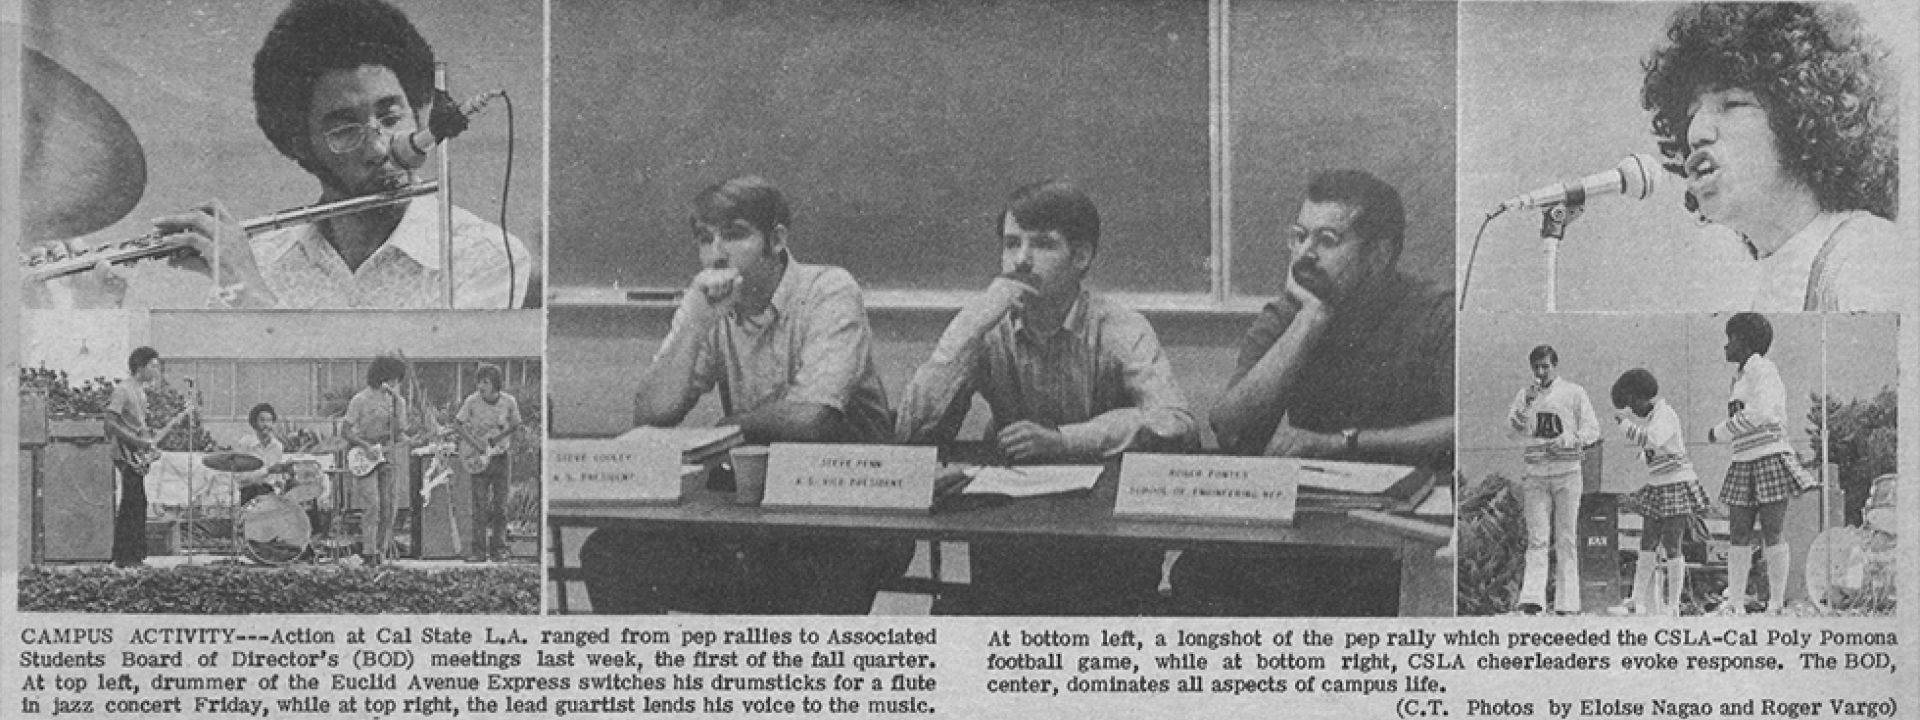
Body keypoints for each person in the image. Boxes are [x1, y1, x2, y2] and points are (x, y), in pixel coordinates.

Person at [40, 0, 530, 309]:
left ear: (420, 110)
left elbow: (405, 389)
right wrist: (89, 310)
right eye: (344, 130)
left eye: (390, 114)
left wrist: (249, 293)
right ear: (300, 145)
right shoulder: (260, 261)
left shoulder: (485, 257)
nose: (380, 147)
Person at [578, 176, 908, 614]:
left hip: (851, 507)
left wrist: (736, 425)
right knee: (610, 554)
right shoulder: (709, 302)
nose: (716, 255)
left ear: (776, 239)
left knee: (810, 580)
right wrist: (695, 324)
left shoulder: (829, 289)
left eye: (734, 235)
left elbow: (814, 419)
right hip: (761, 510)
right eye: (704, 239)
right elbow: (652, 413)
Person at [896, 180, 1199, 615]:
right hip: (1014, 527)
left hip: (1108, 535)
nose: (1020, 260)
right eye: (1011, 244)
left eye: (1041, 245)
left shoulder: (1119, 326)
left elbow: (1175, 422)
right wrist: (964, 330)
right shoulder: (986, 326)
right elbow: (912, 433)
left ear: (1081, 256)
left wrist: (1065, 441)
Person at [1178, 169, 1454, 616]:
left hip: (1404, 524)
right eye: (1298, 236)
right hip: (1318, 516)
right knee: (1201, 573)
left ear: (1379, 255)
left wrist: (1345, 442)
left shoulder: (1436, 312)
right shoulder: (1293, 311)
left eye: (1327, 240)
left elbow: (1465, 426)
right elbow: (1229, 427)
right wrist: (1311, 321)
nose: (1304, 254)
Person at [1642, 2, 1903, 311]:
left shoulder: (1864, 254)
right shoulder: (1756, 279)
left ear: (1803, 120)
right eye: (1691, 113)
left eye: (1733, 104)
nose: (1696, 132)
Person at [1709, 312, 1817, 614]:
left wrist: (1719, 431)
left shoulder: (1764, 369)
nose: (1725, 346)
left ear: (1744, 341)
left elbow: (1761, 413)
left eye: (1730, 339)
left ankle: (1775, 604)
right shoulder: (1740, 377)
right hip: (1743, 460)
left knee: (1772, 533)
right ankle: (1735, 604)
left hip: (1769, 456)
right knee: (1738, 534)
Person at [1505, 345, 1600, 616]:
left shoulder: (1573, 392)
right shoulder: (1525, 395)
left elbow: (1592, 430)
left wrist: (1569, 441)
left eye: (1545, 366)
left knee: (1566, 538)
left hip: (1567, 473)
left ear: (1554, 366)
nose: (1540, 372)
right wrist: (1525, 406)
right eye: (1536, 367)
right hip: (1535, 474)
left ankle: (1567, 603)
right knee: (1537, 538)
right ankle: (1533, 599)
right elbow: (1512, 433)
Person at [1608, 369, 1711, 617]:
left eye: (1632, 403)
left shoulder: (1665, 414)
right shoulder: (1654, 418)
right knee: (1647, 541)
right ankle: (1636, 600)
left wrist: (1626, 427)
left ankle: (1673, 605)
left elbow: (1653, 441)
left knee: (1672, 543)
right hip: (1658, 485)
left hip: (1676, 484)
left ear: (1641, 396)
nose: (1632, 411)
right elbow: (1652, 449)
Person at [341, 355, 413, 566]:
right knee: (372, 504)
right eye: (391, 378)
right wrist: (365, 446)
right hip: (365, 453)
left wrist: (398, 404)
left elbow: (400, 431)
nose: (394, 383)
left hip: (387, 454)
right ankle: (369, 550)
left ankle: (381, 550)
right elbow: (346, 430)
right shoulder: (360, 400)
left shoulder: (397, 401)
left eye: (397, 380)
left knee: (389, 505)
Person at [101, 348, 164, 569]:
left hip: (136, 453)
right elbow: (110, 423)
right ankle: (125, 557)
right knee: (132, 502)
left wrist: (149, 447)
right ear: (141, 366)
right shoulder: (123, 390)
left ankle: (133, 555)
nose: (156, 370)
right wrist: (137, 444)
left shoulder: (141, 392)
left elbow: (138, 427)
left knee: (137, 501)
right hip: (125, 453)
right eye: (153, 366)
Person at [455, 364, 523, 562]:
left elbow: (517, 424)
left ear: (495, 384)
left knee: (501, 506)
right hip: (478, 457)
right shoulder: (472, 401)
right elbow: (457, 424)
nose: (481, 386)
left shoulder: (509, 402)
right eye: (479, 381)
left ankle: (499, 548)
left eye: (486, 382)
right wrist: (474, 444)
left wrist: (503, 436)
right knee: (479, 505)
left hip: (501, 456)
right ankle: (478, 550)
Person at [233, 403, 288, 505]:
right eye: (262, 420)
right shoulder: (245, 444)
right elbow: (240, 478)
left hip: (270, 493)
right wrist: (267, 471)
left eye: (269, 421)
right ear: (254, 423)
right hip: (249, 493)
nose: (266, 425)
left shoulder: (277, 446)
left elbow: (278, 478)